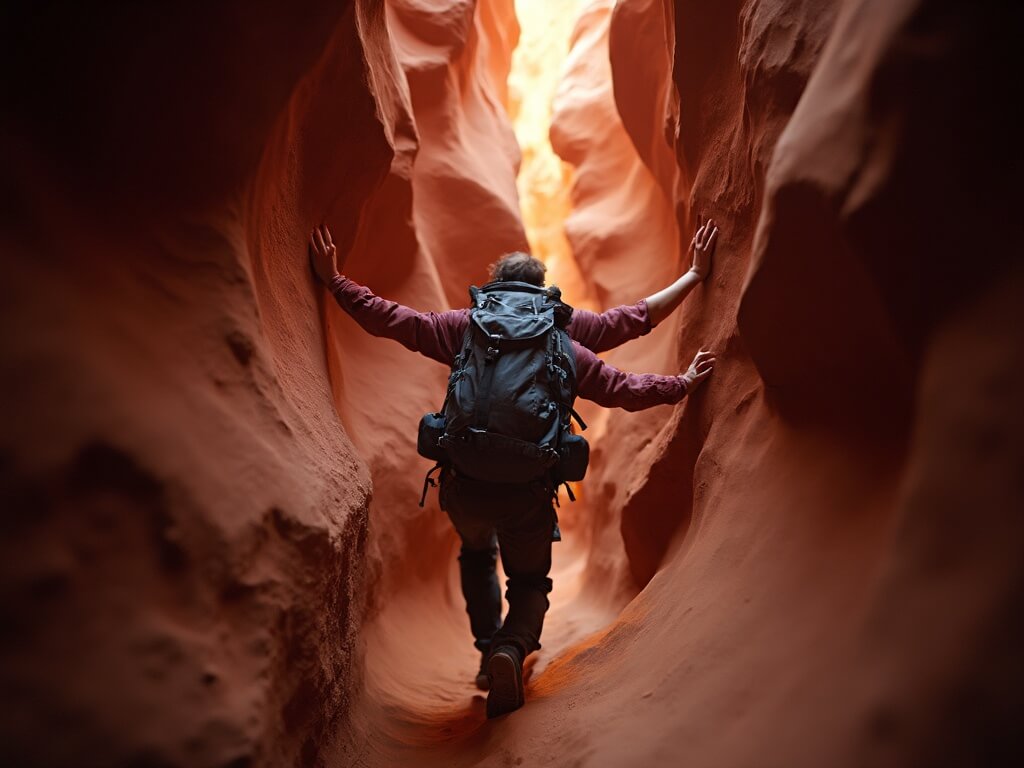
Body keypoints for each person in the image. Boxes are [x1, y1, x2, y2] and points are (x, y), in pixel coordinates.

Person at [308, 218, 719, 717]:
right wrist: (683, 361)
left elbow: (395, 320)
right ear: (541, 289)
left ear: (496, 284)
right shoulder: (564, 333)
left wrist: (335, 282)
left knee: (476, 555)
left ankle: (486, 653)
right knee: (528, 581)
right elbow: (629, 333)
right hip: (527, 491)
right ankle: (510, 648)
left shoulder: (465, 325)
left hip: (465, 484)